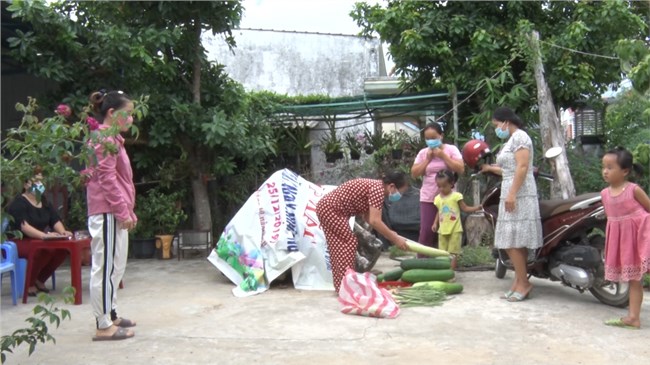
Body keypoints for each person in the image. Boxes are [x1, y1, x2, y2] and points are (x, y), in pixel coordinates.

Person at [85, 90, 137, 341]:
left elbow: (121, 180)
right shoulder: (102, 140)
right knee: (104, 269)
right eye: (128, 114)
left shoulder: (112, 139)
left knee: (116, 267)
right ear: (111, 113)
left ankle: (111, 314)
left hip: (114, 211)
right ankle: (103, 324)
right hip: (106, 211)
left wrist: (128, 210)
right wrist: (121, 210)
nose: (131, 120)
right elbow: (107, 180)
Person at [480, 107, 542, 302]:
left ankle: (523, 282)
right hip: (510, 189)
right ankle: (518, 281)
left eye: (497, 125)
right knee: (514, 239)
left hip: (520, 192)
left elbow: (523, 167)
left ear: (506, 121)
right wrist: (490, 168)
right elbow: (510, 168)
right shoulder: (511, 140)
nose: (498, 129)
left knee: (511, 240)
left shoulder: (520, 137)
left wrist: (513, 194)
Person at [316, 171, 410, 293]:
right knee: (348, 243)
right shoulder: (378, 190)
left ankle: (341, 285)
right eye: (399, 192)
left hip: (326, 208)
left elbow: (368, 218)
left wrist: (392, 234)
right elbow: (375, 221)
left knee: (337, 247)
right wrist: (395, 239)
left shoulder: (375, 187)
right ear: (391, 186)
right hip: (332, 209)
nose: (398, 196)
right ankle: (347, 286)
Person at [600, 147, 650, 329]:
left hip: (639, 238)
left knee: (636, 279)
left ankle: (633, 317)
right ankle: (633, 317)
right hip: (622, 243)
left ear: (625, 171)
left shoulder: (633, 190)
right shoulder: (604, 194)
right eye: (603, 166)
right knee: (633, 279)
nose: (605, 171)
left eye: (610, 167)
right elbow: (611, 220)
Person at [5, 167, 73, 296]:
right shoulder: (19, 202)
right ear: (25, 185)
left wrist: (63, 232)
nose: (39, 185)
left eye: (41, 182)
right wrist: (44, 236)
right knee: (43, 250)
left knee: (62, 249)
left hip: (38, 240)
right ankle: (28, 284)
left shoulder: (44, 202)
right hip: (19, 241)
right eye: (35, 182)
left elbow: (55, 220)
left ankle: (39, 279)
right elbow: (23, 226)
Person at [411, 122, 464, 251]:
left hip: (448, 198)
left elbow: (460, 169)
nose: (430, 141)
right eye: (427, 139)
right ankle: (423, 260)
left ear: (441, 136)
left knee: (448, 229)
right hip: (428, 197)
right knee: (427, 230)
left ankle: (445, 260)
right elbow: (414, 173)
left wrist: (443, 156)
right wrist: (427, 160)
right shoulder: (423, 153)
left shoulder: (451, 149)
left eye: (433, 138)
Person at [431, 170, 482, 269]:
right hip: (442, 230)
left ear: (451, 184)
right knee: (442, 252)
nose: (441, 189)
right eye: (439, 186)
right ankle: (443, 271)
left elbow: (465, 208)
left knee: (453, 253)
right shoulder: (437, 198)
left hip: (455, 229)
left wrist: (477, 208)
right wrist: (435, 223)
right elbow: (439, 211)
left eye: (444, 186)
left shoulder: (456, 196)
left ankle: (451, 272)